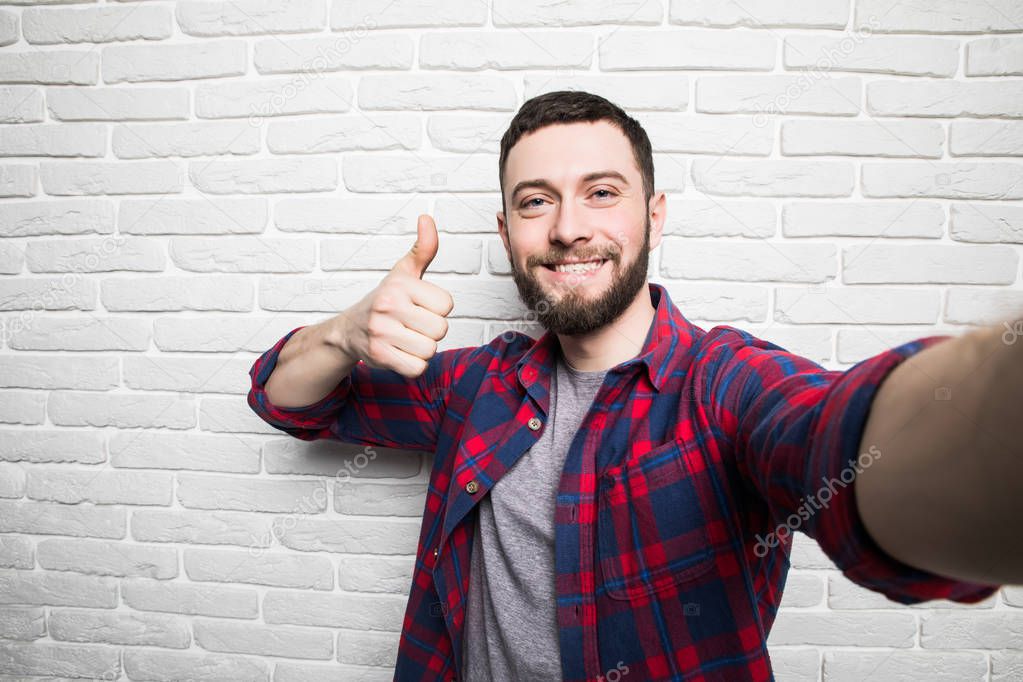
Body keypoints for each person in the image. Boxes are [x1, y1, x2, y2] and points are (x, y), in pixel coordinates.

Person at [248, 90, 1014, 681]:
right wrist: (347, 332)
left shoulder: (724, 384)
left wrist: (986, 411)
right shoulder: (473, 384)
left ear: (654, 214)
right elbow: (291, 400)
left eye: (601, 192)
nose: (567, 228)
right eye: (535, 200)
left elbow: (832, 437)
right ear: (505, 229)